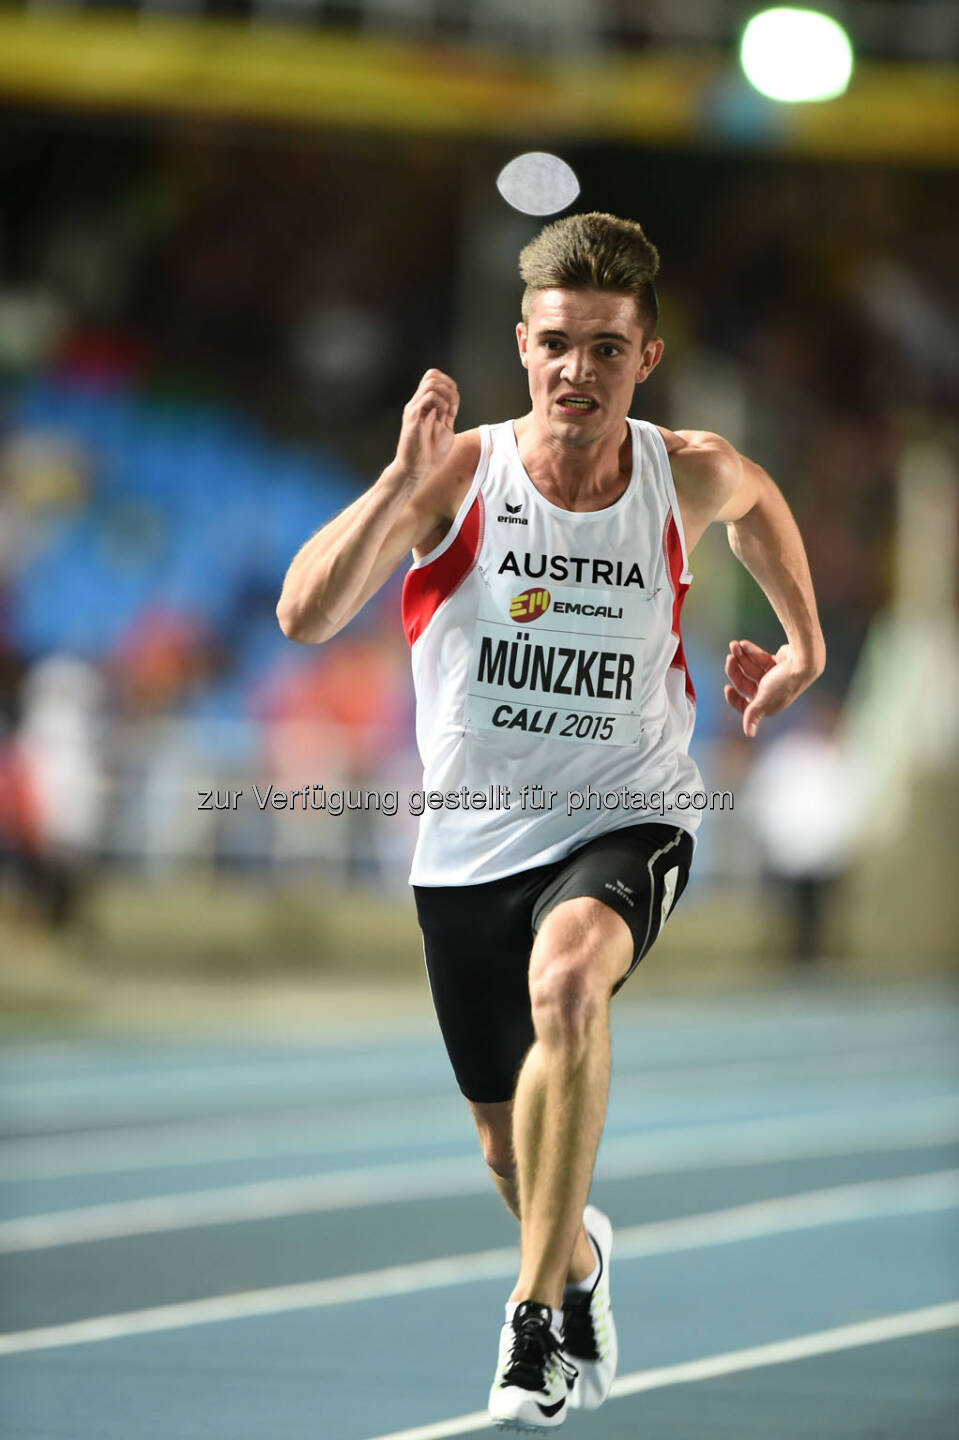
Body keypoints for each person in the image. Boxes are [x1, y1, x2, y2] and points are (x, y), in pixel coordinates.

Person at [276, 212, 825, 1431]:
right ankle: (573, 1262)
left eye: (607, 350)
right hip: (469, 843)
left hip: (632, 815)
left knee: (569, 983)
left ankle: (530, 1322)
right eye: (557, 345)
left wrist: (804, 643)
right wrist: (394, 480)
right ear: (522, 346)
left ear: (647, 358)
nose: (579, 371)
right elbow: (305, 617)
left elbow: (757, 498)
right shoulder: (460, 475)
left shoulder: (678, 470)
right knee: (504, 1155)